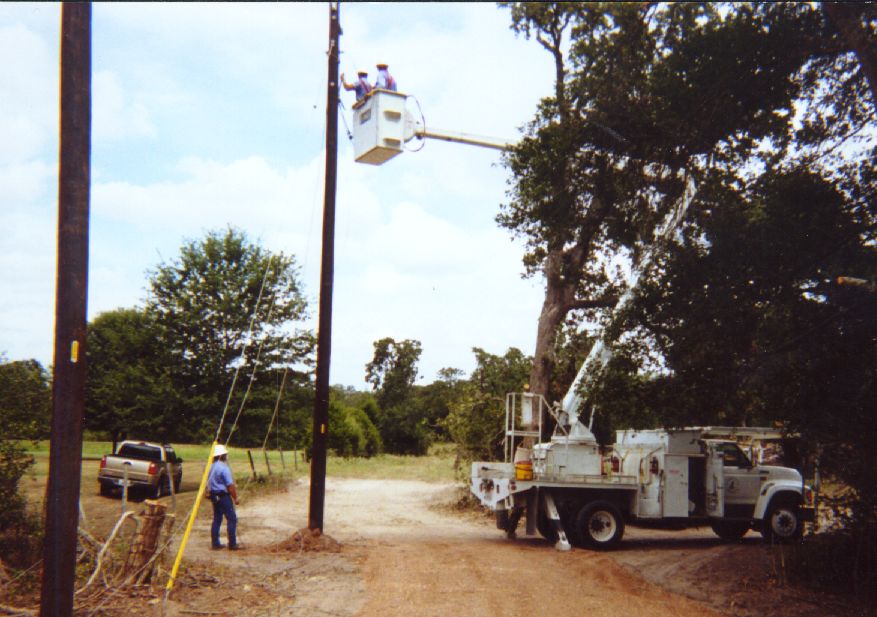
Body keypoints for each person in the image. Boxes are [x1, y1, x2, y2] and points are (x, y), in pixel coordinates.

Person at [207, 444, 241, 550]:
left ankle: (215, 543)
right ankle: (232, 544)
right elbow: (230, 486)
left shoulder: (211, 467)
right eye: (225, 454)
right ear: (222, 455)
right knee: (232, 518)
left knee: (217, 519)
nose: (226, 456)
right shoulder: (224, 468)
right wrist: (235, 498)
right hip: (223, 496)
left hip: (214, 495)